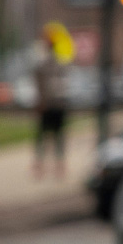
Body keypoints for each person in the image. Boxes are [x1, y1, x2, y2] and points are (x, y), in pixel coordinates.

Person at [30, 29, 70, 178]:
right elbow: (39, 85)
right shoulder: (50, 65)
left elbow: (58, 86)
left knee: (54, 137)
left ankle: (56, 166)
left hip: (54, 105)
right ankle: (42, 166)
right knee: (44, 138)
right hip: (51, 105)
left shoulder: (56, 65)